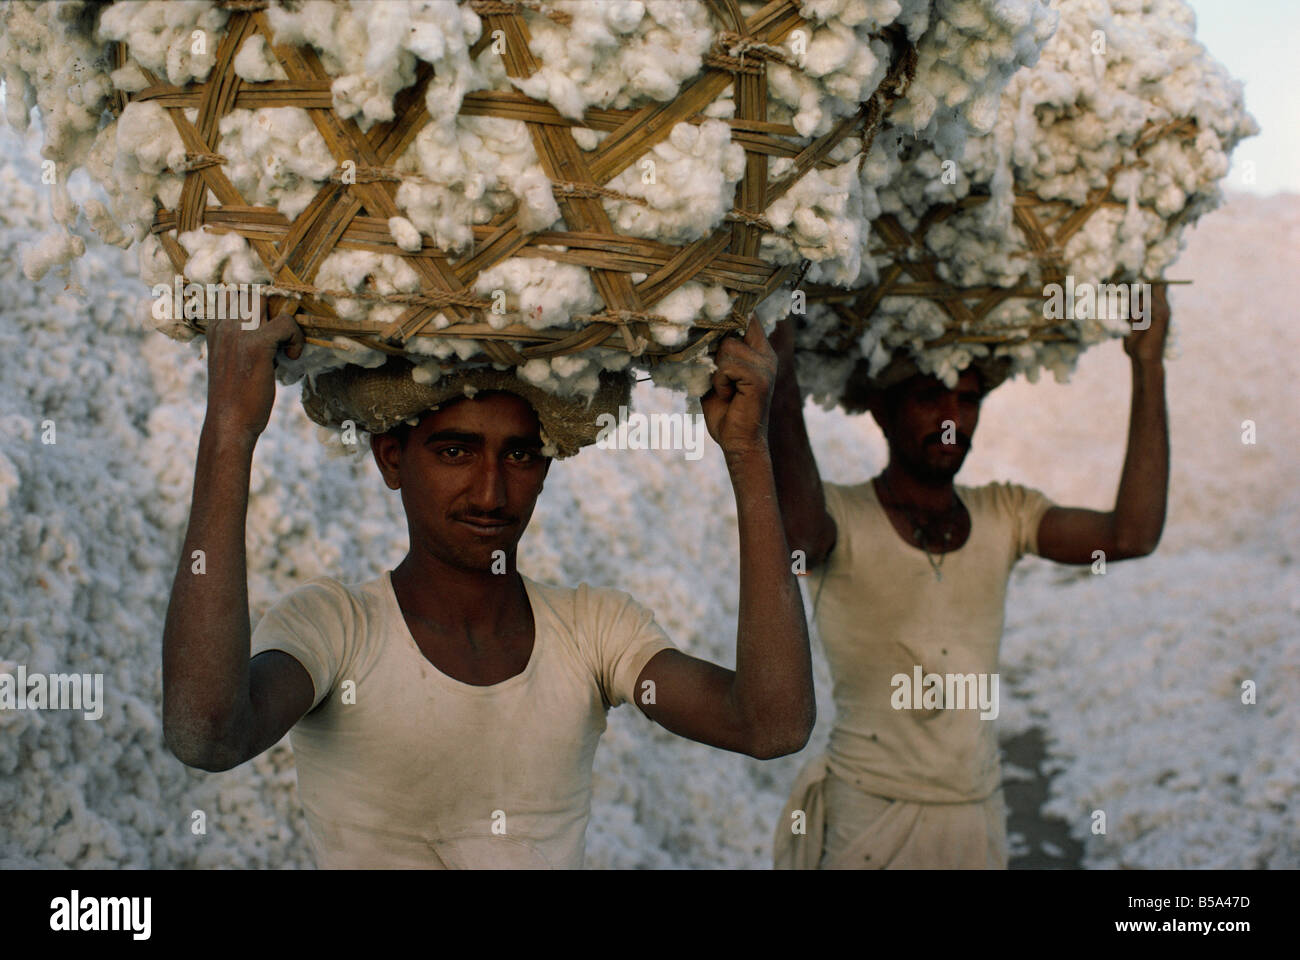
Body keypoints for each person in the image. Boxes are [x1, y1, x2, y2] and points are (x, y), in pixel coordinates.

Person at [161, 307, 814, 869]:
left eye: (520, 456)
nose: (492, 491)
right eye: (455, 452)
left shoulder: (592, 631)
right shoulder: (337, 629)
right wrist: (230, 430)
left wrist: (747, 454)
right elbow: (208, 734)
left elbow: (770, 725)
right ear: (392, 458)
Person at [768, 285, 1171, 869]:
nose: (952, 419)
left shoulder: (1005, 513)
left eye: (968, 399)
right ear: (882, 410)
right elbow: (799, 537)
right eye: (930, 397)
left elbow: (1131, 536)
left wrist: (1148, 361)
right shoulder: (840, 518)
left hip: (973, 818)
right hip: (868, 815)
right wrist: (780, 372)